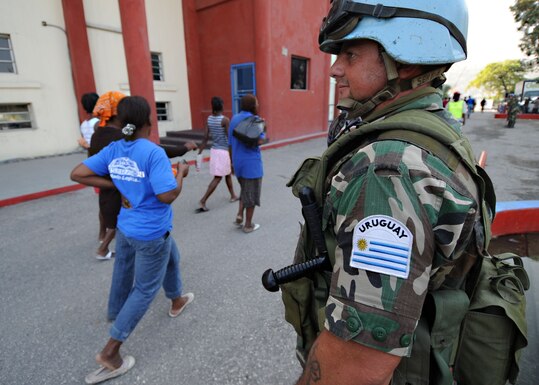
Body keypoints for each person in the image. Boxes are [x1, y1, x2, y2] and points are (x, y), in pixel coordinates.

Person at [284, 1, 496, 384]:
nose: (335, 69)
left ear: (408, 61)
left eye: (351, 54)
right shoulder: (434, 126)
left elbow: (356, 366)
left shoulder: (388, 169)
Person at [71, 95, 194, 384]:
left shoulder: (114, 149)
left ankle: (174, 300)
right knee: (144, 289)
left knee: (163, 258)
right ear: (148, 122)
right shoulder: (152, 153)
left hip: (126, 229)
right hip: (151, 232)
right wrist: (182, 175)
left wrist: (115, 184)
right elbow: (167, 196)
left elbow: (78, 173)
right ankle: (111, 352)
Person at [88, 91, 126, 260]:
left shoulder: (98, 133)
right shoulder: (119, 135)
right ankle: (103, 249)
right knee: (117, 217)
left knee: (106, 210)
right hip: (117, 182)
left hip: (103, 179)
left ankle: (101, 236)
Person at [228, 94, 265, 233]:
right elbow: (260, 140)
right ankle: (248, 225)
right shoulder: (256, 120)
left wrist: (231, 163)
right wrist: (263, 128)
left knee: (245, 189)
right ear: (252, 106)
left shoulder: (234, 119)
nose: (258, 105)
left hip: (238, 163)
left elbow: (230, 143)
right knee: (252, 194)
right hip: (252, 165)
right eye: (256, 103)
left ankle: (239, 215)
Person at [195, 96, 238, 213]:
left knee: (227, 173)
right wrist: (232, 158)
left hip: (214, 151)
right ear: (222, 106)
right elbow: (229, 140)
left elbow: (205, 137)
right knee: (218, 177)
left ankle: (233, 195)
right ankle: (203, 201)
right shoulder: (225, 120)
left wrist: (199, 153)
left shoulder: (209, 119)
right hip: (223, 152)